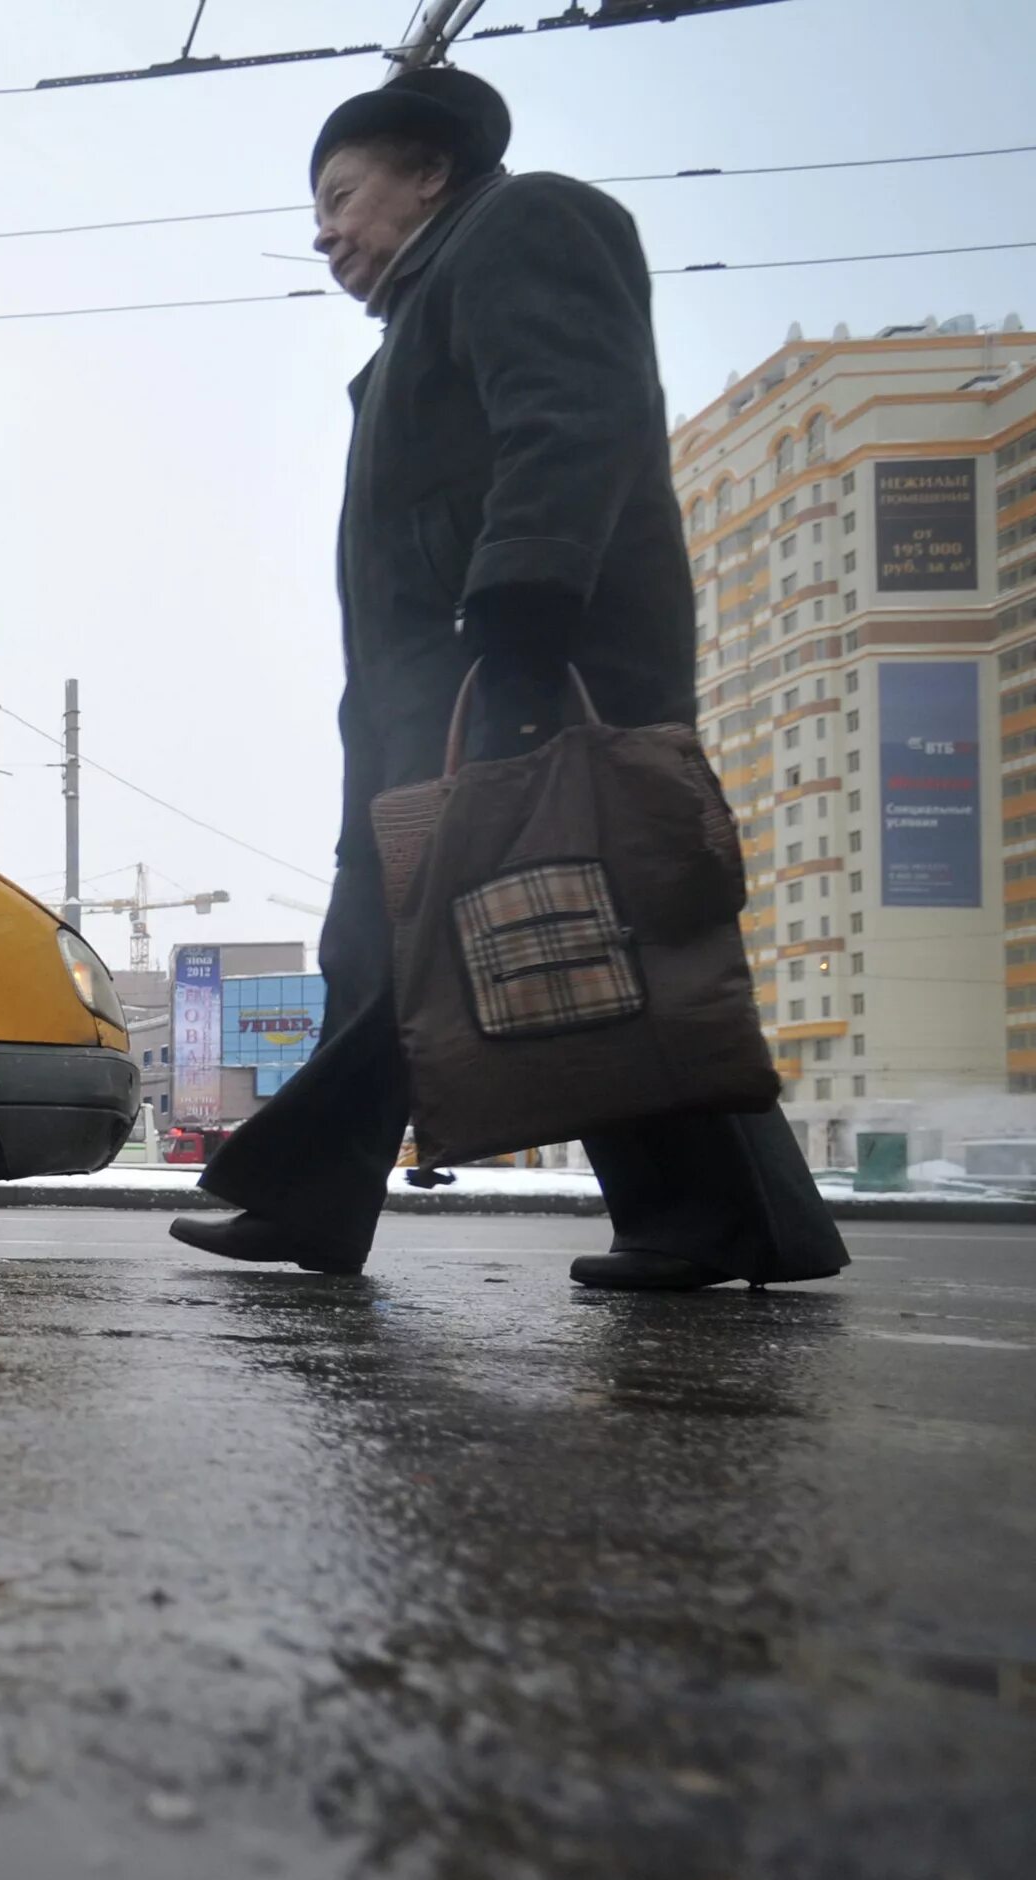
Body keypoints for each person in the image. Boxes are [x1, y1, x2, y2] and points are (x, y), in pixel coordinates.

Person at [170, 65, 846, 1291]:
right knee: (389, 947)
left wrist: (526, 627)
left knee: (594, 944)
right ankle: (318, 1199)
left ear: (429, 171)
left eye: (341, 195)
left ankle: (719, 1216)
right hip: (423, 708)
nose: (323, 231)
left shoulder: (528, 223)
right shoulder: (409, 334)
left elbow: (572, 417)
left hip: (524, 675)